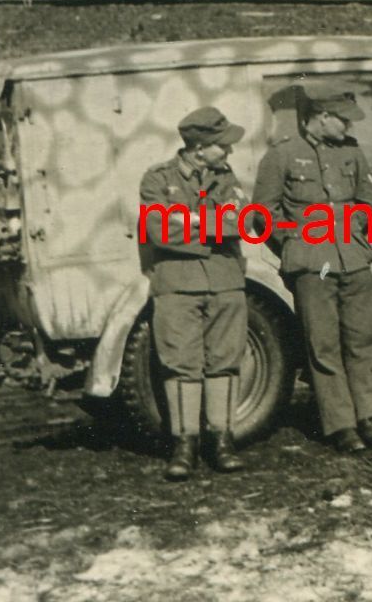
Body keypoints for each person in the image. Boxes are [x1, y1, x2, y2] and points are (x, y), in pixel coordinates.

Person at [252, 80, 372, 454]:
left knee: (365, 338)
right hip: (314, 265)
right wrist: (295, 244)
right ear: (322, 117)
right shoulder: (281, 155)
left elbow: (367, 198)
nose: (349, 128)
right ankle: (341, 424)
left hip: (354, 258)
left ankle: (369, 417)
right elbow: (263, 214)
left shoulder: (351, 152)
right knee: (324, 344)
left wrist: (353, 230)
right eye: (343, 120)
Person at [139, 106, 249, 481]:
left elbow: (244, 222)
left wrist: (191, 221)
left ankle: (222, 442)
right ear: (199, 147)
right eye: (223, 145)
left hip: (225, 282)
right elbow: (159, 232)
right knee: (180, 365)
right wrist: (216, 224)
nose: (229, 152)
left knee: (225, 361)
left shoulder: (226, 177)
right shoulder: (157, 179)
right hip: (177, 286)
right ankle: (184, 447)